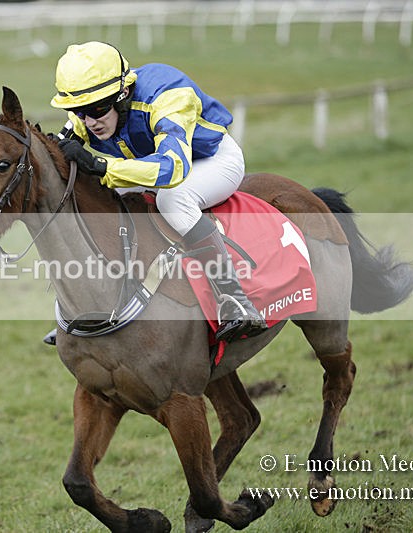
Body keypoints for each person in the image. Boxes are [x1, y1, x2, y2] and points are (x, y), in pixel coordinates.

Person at [49, 41, 266, 343]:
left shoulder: (168, 94)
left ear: (123, 94)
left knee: (173, 199)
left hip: (209, 160)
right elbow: (62, 144)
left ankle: (236, 300)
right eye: (77, 111)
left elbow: (171, 169)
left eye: (97, 110)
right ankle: (83, 308)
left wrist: (100, 165)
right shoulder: (91, 110)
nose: (88, 121)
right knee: (97, 197)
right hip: (146, 164)